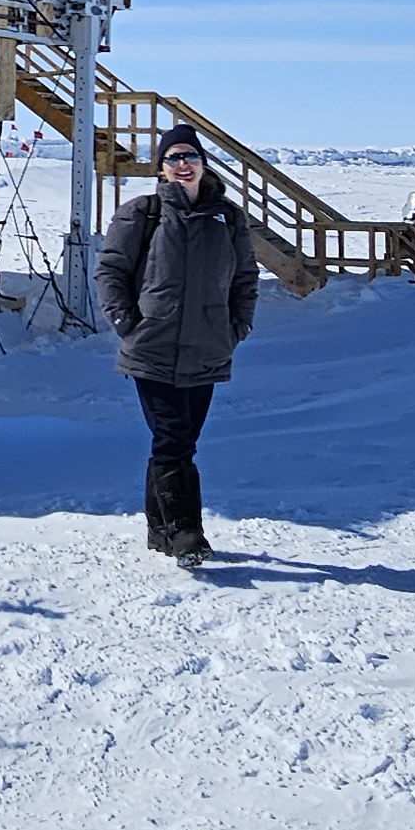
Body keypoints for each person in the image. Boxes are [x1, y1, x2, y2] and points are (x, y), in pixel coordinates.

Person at [96, 126, 257, 565]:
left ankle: (159, 529)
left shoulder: (227, 217)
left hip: (206, 346)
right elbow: (110, 271)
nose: (182, 165)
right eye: (173, 158)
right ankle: (187, 533)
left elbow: (245, 277)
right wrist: (128, 323)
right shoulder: (141, 214)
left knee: (180, 440)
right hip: (152, 347)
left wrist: (236, 326)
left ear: (203, 164)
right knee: (173, 437)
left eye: (190, 157)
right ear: (162, 169)